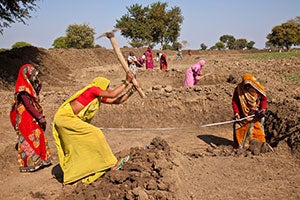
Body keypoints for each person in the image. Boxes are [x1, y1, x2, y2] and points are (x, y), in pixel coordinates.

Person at [52, 71, 138, 185]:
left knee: (78, 147)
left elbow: (116, 100)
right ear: (101, 86)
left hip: (70, 120)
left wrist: (132, 90)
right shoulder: (92, 90)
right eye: (106, 88)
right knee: (95, 133)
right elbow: (113, 94)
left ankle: (73, 176)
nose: (107, 90)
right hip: (65, 118)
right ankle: (112, 163)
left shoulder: (97, 97)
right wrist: (126, 81)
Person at [9, 64, 52, 172]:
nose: (34, 77)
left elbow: (35, 95)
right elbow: (28, 105)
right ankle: (31, 163)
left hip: (31, 115)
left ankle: (42, 160)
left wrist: (37, 83)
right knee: (30, 137)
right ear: (26, 75)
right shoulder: (22, 89)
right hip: (26, 117)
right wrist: (39, 117)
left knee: (38, 135)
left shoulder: (29, 86)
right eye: (32, 75)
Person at [232, 73, 267, 152]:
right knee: (239, 127)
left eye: (249, 85)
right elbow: (235, 102)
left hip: (256, 114)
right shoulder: (239, 89)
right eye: (246, 85)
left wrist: (263, 109)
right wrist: (236, 113)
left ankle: (259, 146)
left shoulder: (259, 88)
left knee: (257, 129)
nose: (247, 87)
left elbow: (264, 100)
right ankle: (241, 146)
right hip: (243, 114)